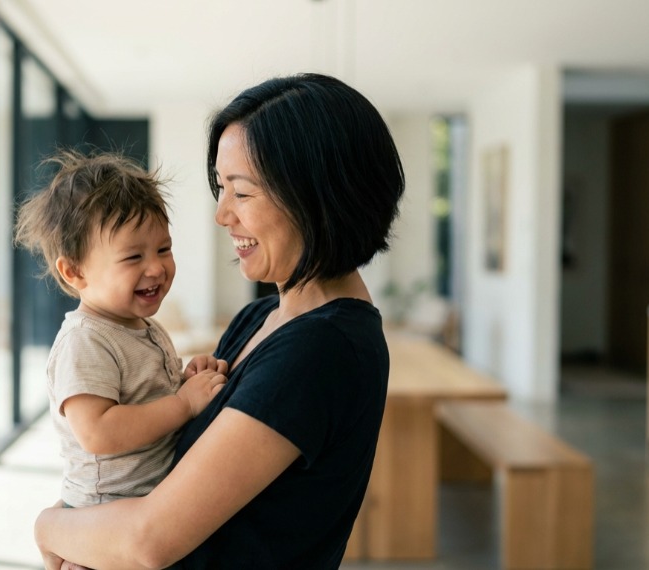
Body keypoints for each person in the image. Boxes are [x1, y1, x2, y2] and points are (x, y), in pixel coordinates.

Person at [34, 73, 405, 569]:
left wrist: (49, 526)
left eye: (242, 193)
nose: (221, 214)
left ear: (315, 197)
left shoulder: (322, 349)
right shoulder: (262, 316)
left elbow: (148, 540)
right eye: (221, 188)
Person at [15, 151, 229, 509]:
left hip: (145, 501)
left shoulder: (143, 327)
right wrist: (182, 403)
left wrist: (184, 379)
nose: (157, 268)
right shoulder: (85, 341)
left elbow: (145, 395)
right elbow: (98, 431)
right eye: (134, 257)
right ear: (74, 272)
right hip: (106, 511)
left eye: (164, 249)